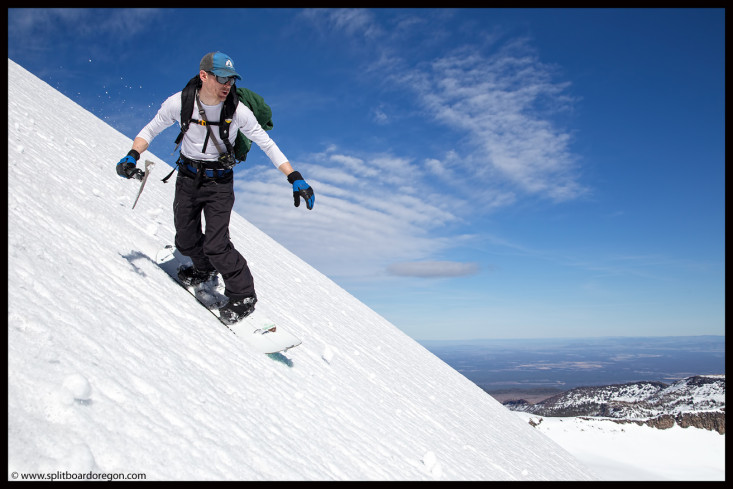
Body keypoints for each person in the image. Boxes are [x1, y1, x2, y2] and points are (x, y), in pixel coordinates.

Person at [116, 51, 314, 325]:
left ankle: (243, 296)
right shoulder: (179, 103)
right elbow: (150, 129)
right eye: (221, 78)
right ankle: (204, 270)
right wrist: (132, 155)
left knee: (217, 244)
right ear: (204, 76)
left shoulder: (237, 111)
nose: (227, 85)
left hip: (219, 182)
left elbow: (267, 144)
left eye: (231, 80)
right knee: (185, 239)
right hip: (187, 177)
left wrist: (294, 177)